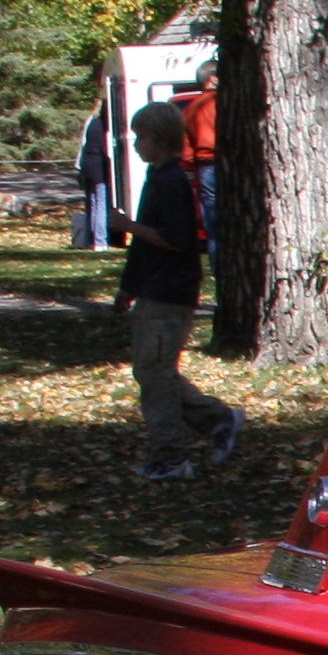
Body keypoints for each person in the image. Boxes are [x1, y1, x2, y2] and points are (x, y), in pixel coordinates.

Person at [117, 102, 244, 481]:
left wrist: (127, 225)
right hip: (152, 288)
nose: (137, 145)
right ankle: (218, 420)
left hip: (170, 291)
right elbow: (145, 246)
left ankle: (171, 456)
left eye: (141, 138)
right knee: (152, 371)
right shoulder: (157, 178)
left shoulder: (172, 181)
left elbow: (179, 239)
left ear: (158, 139)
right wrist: (129, 286)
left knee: (155, 373)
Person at [176, 60, 222, 225]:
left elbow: (185, 147)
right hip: (226, 162)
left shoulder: (190, 109)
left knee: (211, 219)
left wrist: (193, 162)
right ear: (212, 78)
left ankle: (216, 250)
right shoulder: (224, 103)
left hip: (204, 166)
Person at [75, 101, 115, 251]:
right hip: (98, 168)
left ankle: (93, 240)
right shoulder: (106, 127)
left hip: (87, 167)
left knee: (93, 204)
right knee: (101, 205)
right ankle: (100, 240)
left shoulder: (92, 123)